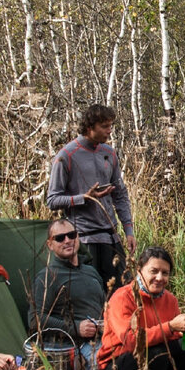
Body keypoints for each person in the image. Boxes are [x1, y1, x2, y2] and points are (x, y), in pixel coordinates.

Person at [46, 104, 136, 292]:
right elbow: (52, 200)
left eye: (111, 126)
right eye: (104, 126)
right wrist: (83, 198)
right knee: (91, 295)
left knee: (120, 294)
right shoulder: (66, 155)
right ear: (89, 127)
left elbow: (120, 194)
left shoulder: (109, 153)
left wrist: (128, 229)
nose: (109, 131)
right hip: (84, 240)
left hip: (111, 238)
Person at [32, 217, 107, 370]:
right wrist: (76, 328)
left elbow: (106, 305)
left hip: (105, 338)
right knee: (114, 365)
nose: (67, 240)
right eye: (59, 238)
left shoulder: (91, 271)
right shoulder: (46, 277)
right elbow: (35, 319)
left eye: (71, 235)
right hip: (73, 347)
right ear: (50, 245)